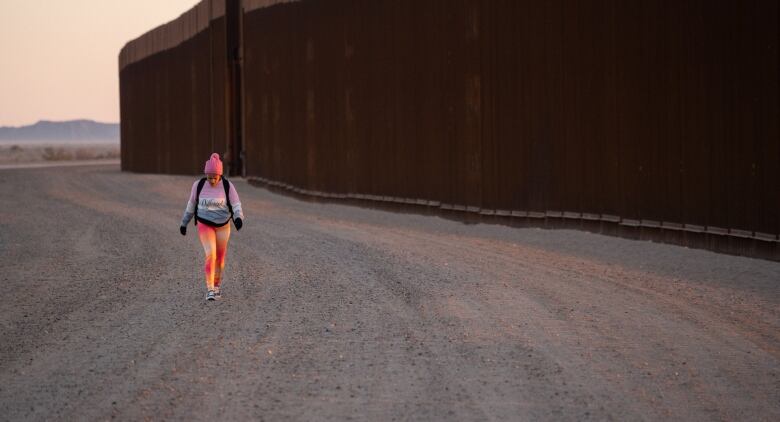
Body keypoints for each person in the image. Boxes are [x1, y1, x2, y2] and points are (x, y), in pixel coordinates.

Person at [180, 153, 244, 301]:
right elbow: (191, 206)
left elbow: (236, 204)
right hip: (204, 223)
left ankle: (216, 286)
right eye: (209, 177)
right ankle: (209, 289)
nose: (212, 180)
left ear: (220, 175)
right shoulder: (198, 185)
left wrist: (238, 218)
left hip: (223, 226)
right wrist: (184, 223)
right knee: (211, 254)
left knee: (220, 259)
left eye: (215, 177)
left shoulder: (228, 186)